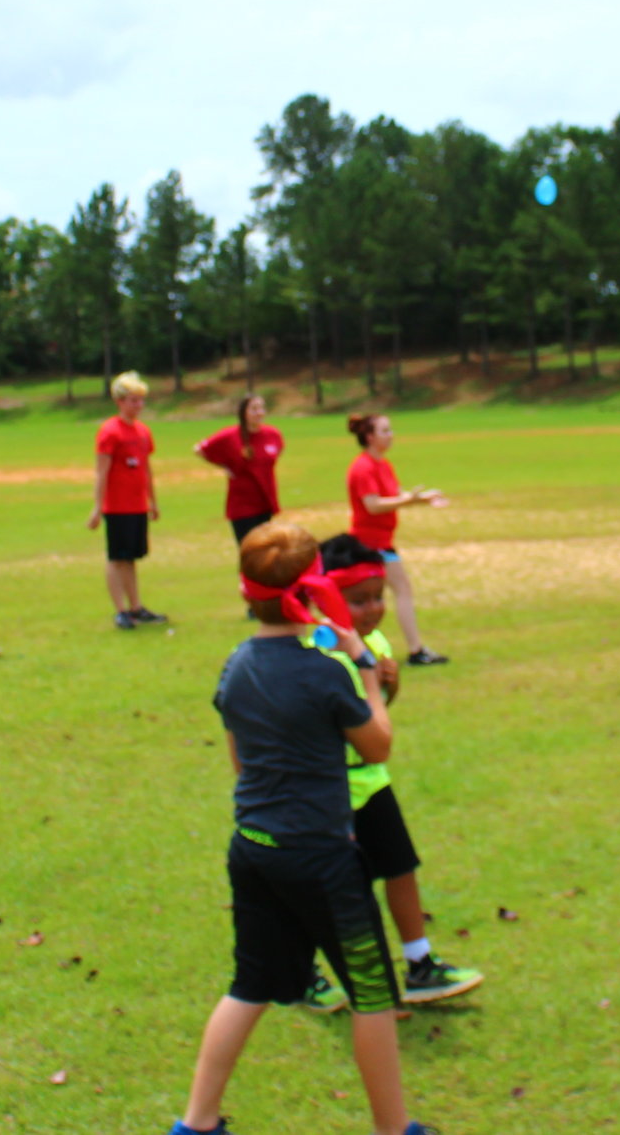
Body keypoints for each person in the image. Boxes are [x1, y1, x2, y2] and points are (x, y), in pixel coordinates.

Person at [170, 521, 432, 1135]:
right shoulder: (326, 669)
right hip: (321, 858)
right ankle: (394, 1130)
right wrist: (366, 668)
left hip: (254, 848)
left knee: (249, 985)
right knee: (370, 994)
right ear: (311, 592)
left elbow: (241, 762)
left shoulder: (235, 666)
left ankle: (196, 1123)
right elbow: (376, 746)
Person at [303, 535, 481, 1011]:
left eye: (378, 597)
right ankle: (306, 971)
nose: (373, 610)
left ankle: (420, 963)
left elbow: (374, 721)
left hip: (371, 780)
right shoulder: (318, 650)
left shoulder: (377, 643)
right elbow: (327, 728)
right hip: (330, 789)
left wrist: (389, 690)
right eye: (358, 601)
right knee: (327, 885)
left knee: (401, 867)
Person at [345, 413, 450, 667]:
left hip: (381, 541)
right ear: (369, 437)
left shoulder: (383, 465)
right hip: (370, 544)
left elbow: (395, 496)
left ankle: (353, 648)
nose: (391, 435)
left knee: (368, 598)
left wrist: (423, 498)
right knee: (397, 591)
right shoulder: (363, 467)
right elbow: (373, 505)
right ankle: (415, 651)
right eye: (384, 431)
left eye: (390, 430)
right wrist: (412, 500)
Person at [89, 372, 168, 631]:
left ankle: (136, 606)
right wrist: (98, 507)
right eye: (133, 401)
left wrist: (152, 501)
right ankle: (120, 610)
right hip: (117, 506)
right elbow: (101, 471)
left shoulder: (143, 432)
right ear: (120, 401)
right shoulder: (110, 432)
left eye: (141, 401)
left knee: (132, 558)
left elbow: (146, 469)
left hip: (137, 505)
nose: (139, 406)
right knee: (116, 558)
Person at [196, 395, 284, 549]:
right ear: (244, 413)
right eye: (254, 409)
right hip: (242, 505)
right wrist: (225, 466)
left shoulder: (273, 434)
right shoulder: (231, 435)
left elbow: (275, 453)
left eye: (261, 408)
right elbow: (200, 449)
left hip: (265, 501)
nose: (259, 412)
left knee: (266, 551)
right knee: (249, 550)